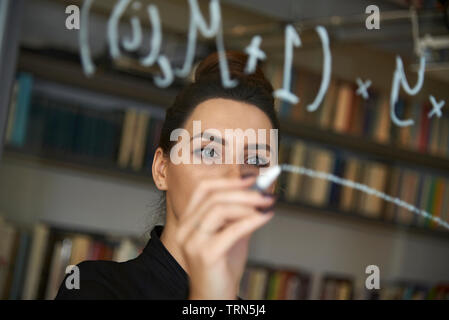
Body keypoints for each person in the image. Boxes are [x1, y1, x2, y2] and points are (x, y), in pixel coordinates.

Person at [55, 50, 280, 300]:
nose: (234, 178)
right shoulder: (94, 287)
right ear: (162, 169)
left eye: (257, 160)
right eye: (209, 152)